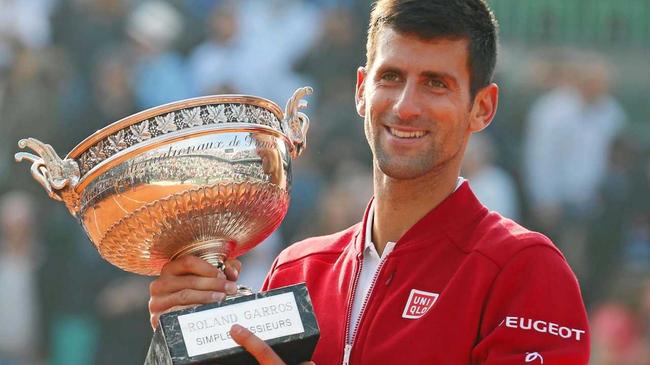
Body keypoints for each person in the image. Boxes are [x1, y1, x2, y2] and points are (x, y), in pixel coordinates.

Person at [148, 1, 590, 364]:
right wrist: (188, 335)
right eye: (391, 77)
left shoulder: (523, 270)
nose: (405, 105)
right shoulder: (298, 271)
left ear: (482, 108)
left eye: (435, 84)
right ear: (362, 89)